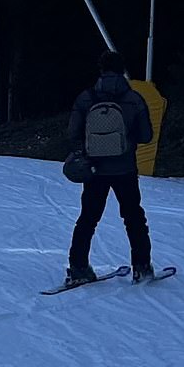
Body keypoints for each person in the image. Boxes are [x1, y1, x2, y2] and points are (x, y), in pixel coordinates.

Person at [65, 50, 154, 284]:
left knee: (88, 218)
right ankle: (142, 266)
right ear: (122, 69)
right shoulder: (134, 98)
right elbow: (146, 135)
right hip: (125, 168)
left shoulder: (86, 98)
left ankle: (78, 267)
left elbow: (72, 133)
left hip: (94, 170)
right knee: (134, 217)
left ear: (101, 69)